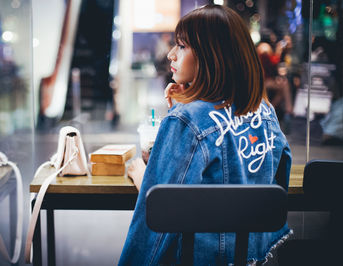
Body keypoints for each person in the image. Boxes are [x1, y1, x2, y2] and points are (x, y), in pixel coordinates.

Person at [119, 4, 292, 266]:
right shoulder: (265, 110)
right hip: (253, 257)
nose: (170, 55)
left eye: (182, 46)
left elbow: (158, 213)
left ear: (212, 55)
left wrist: (144, 178)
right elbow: (278, 179)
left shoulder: (187, 121)